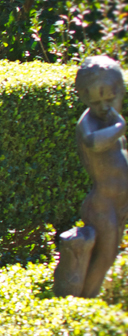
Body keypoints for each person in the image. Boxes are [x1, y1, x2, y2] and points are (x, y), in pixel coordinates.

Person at [74, 55, 128, 296]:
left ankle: (90, 297)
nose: (104, 107)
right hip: (102, 203)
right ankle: (84, 300)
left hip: (120, 201)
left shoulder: (109, 120)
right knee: (104, 254)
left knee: (112, 252)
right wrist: (119, 128)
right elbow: (94, 143)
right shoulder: (89, 124)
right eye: (96, 102)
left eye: (109, 98)